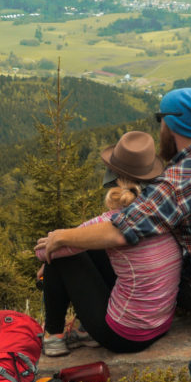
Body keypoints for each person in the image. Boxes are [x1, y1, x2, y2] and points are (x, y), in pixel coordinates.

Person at [37, 87, 191, 315]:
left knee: (113, 251)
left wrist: (60, 237)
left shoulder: (175, 181)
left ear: (169, 124)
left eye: (160, 120)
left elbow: (120, 230)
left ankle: (104, 322)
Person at [33, 130, 182, 357]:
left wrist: (49, 255)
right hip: (159, 325)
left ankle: (54, 336)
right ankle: (85, 332)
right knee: (91, 247)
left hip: (124, 336)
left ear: (115, 177)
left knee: (62, 254)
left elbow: (45, 251)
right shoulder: (160, 212)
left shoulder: (112, 222)